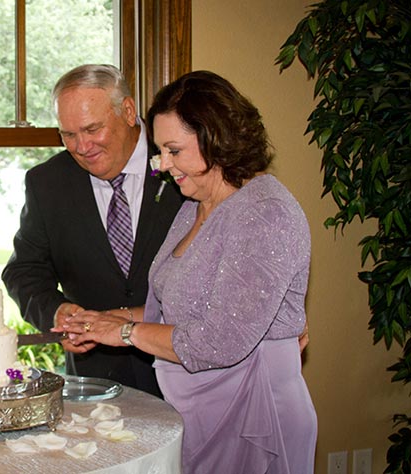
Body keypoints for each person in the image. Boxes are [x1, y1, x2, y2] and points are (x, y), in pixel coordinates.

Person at [57, 70, 317, 473]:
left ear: (217, 138)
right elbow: (173, 310)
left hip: (254, 415)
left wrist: (124, 334)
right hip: (198, 411)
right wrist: (106, 320)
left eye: (174, 150)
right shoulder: (191, 207)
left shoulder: (266, 212)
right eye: (161, 151)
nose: (164, 164)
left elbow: (217, 342)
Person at [2, 64, 183, 397]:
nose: (81, 146)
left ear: (128, 111)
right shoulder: (47, 183)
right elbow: (24, 272)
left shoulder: (183, 161)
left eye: (92, 129)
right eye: (68, 135)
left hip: (184, 375)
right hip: (95, 384)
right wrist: (57, 311)